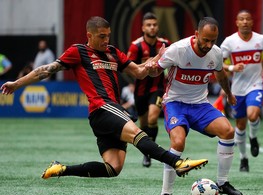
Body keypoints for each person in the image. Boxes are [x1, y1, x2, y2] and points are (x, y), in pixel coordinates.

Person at [0, 16, 208, 184]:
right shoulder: (78, 51)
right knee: (137, 133)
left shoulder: (113, 52)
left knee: (113, 168)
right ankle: (178, 163)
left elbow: (140, 73)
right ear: (89, 36)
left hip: (108, 114)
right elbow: (45, 70)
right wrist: (16, 84)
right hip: (102, 107)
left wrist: (156, 61)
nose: (106, 40)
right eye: (101, 36)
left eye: (108, 36)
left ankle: (61, 169)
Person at [146, 17, 243, 195]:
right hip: (175, 103)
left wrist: (229, 94)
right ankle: (165, 194)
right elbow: (155, 71)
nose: (208, 45)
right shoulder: (178, 50)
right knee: (178, 142)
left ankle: (222, 183)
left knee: (228, 131)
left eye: (212, 40)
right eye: (205, 39)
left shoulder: (215, 53)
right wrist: (152, 65)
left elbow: (221, 75)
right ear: (197, 34)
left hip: (200, 105)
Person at [220, 10, 263, 172]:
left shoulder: (260, 40)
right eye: (241, 19)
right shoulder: (229, 42)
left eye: (247, 19)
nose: (245, 22)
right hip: (237, 88)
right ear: (236, 22)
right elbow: (218, 64)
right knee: (240, 125)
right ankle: (244, 158)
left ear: (252, 22)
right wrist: (232, 67)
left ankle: (253, 137)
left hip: (255, 85)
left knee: (253, 114)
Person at [127, 12, 171, 167]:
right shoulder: (136, 46)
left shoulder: (165, 44)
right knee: (144, 124)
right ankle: (146, 151)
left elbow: (173, 62)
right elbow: (128, 68)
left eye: (154, 24)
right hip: (140, 91)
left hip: (158, 88)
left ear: (158, 26)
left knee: (153, 118)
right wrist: (148, 64)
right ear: (143, 28)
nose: (152, 28)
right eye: (149, 25)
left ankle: (150, 152)